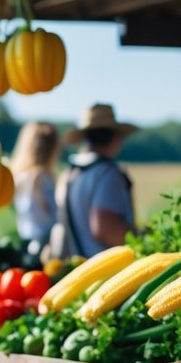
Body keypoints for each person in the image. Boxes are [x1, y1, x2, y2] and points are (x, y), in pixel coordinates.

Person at [49, 103, 138, 259]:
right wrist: (143, 239)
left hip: (77, 269)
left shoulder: (69, 173)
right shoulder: (108, 173)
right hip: (108, 273)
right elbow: (104, 228)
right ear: (114, 136)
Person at [9, 121, 61, 246]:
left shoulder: (18, 177)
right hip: (45, 244)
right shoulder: (42, 178)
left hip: (26, 241)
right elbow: (52, 215)